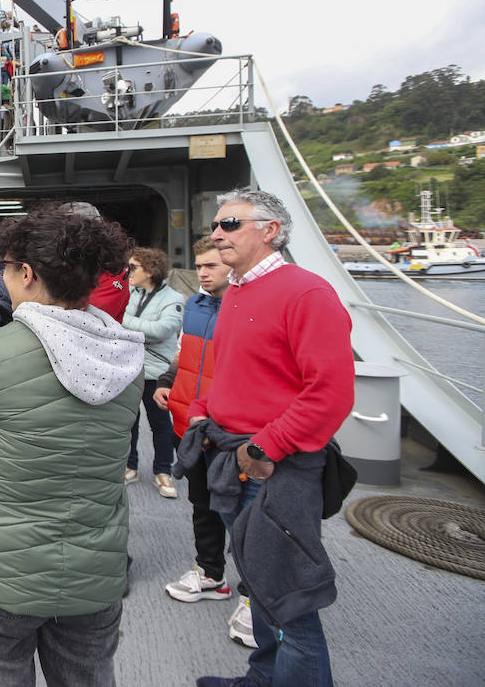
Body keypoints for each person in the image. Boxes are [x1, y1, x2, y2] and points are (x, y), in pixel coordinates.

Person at [0, 206, 144, 687]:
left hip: (1, 566)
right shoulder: (125, 357)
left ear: (27, 274)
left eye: (5, 268)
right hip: (95, 568)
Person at [189, 187, 354, 687]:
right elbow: (232, 370)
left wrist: (264, 449)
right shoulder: (237, 290)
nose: (218, 234)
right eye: (217, 225)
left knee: (288, 598)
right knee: (258, 581)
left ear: (271, 231)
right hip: (234, 454)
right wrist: (202, 410)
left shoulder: (306, 293)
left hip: (273, 464)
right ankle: (263, 678)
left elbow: (329, 393)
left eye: (231, 224)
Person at [152, 238, 255, 647]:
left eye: (212, 264)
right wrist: (166, 382)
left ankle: (254, 597)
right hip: (190, 424)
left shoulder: (247, 309)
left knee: (246, 517)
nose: (204, 272)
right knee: (204, 505)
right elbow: (185, 355)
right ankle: (212, 574)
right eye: (199, 265)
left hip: (229, 430)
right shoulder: (195, 305)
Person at [122, 246, 185, 497]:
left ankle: (163, 471)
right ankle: (130, 466)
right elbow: (149, 329)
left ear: (149, 271)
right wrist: (144, 330)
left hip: (156, 372)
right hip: (130, 367)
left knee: (161, 424)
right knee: (130, 422)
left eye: (133, 267)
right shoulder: (129, 293)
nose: (128, 272)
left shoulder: (174, 299)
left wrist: (127, 326)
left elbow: (163, 330)